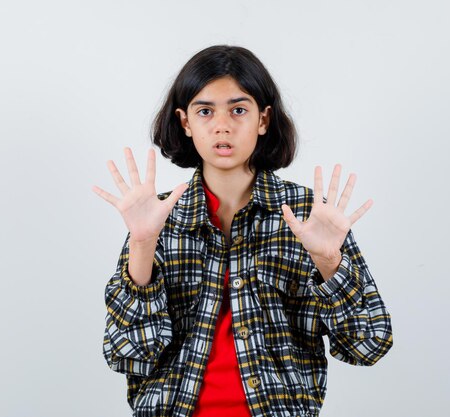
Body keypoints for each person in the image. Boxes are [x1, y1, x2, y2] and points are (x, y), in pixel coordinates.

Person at [92, 45, 393, 417]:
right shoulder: (157, 217)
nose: (222, 125)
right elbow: (128, 356)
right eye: (205, 111)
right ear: (185, 122)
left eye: (238, 109)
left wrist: (329, 261)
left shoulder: (310, 217)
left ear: (263, 120)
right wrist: (142, 244)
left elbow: (369, 346)